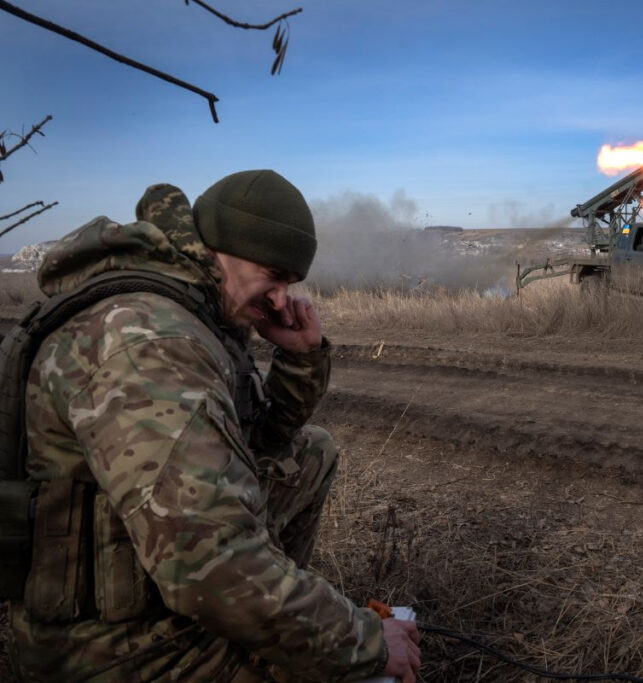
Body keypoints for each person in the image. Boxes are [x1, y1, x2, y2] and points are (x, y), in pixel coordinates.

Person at [8, 170, 421, 681]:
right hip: (114, 651)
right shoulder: (151, 342)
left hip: (153, 593)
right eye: (273, 275)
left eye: (290, 283)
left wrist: (301, 358)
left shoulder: (188, 313)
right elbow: (208, 562)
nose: (279, 300)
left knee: (309, 453)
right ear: (224, 250)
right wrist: (362, 641)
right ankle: (267, 620)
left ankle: (270, 613)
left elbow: (262, 446)